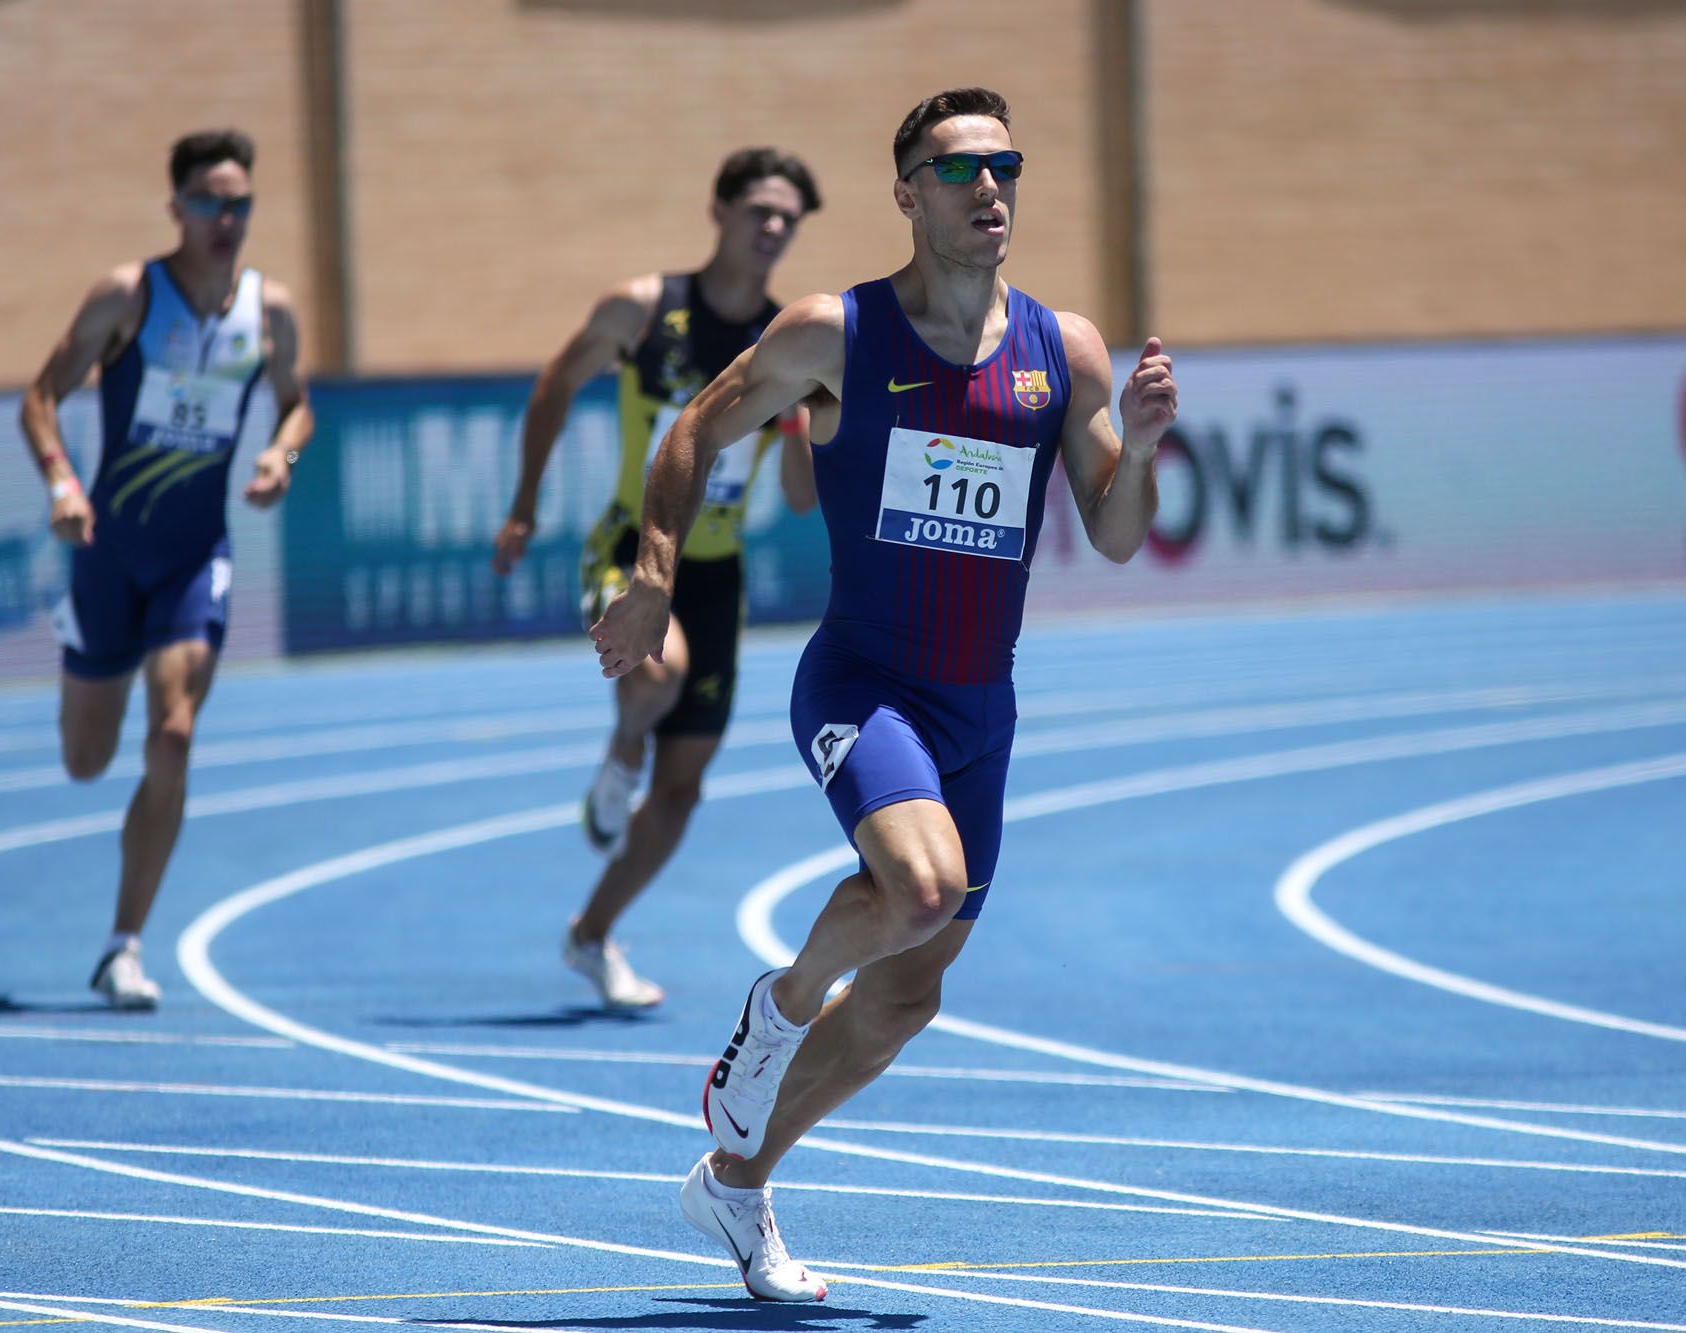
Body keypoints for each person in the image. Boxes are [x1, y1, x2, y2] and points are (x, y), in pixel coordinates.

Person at [590, 88, 1177, 1302]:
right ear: (905, 193)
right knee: (914, 888)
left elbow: (1114, 531)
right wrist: (653, 578)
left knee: (910, 990)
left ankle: (736, 1182)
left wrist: (1150, 444)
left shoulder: (1058, 350)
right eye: (956, 170)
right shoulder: (836, 334)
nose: (987, 188)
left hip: (981, 706)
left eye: (1002, 165)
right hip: (863, 680)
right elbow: (695, 429)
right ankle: (780, 1003)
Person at [492, 147, 821, 1011]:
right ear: (718, 212)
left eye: (789, 217)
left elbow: (795, 497)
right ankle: (619, 753)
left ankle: (589, 934)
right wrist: (524, 505)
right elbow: (554, 385)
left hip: (721, 575)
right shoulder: (642, 311)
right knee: (656, 674)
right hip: (632, 546)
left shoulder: (793, 343)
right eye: (760, 210)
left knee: (680, 794)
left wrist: (805, 423)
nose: (774, 229)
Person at [19, 128, 312, 1009]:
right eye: (209, 203)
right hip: (107, 558)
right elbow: (40, 396)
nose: (227, 219)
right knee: (85, 758)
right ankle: (80, 648)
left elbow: (297, 406)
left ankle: (125, 944)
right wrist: (63, 484)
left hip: (195, 555)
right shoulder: (128, 297)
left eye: (241, 204)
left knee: (174, 733)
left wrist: (280, 456)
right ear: (176, 209)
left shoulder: (271, 311)